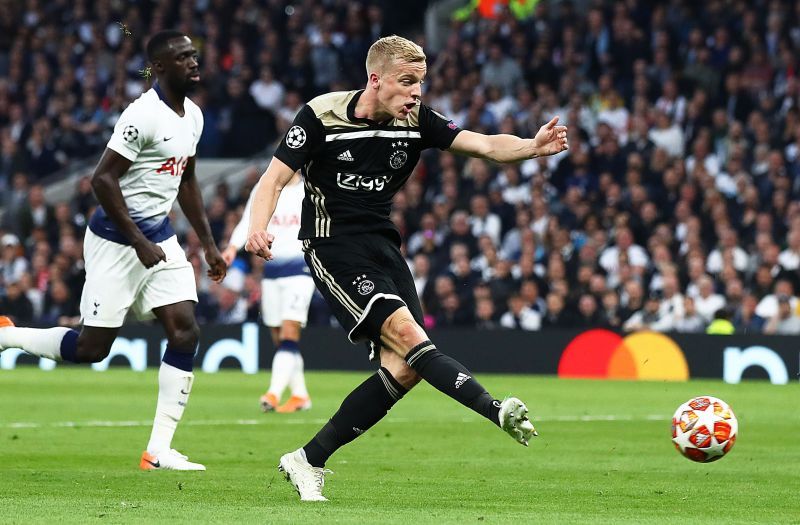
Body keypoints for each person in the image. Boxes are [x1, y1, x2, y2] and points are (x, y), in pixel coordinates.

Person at [245, 35, 568, 501]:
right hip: (333, 246)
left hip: (384, 247)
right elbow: (273, 179)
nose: (417, 92)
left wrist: (532, 147)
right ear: (375, 79)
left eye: (421, 82)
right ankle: (494, 409)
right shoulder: (322, 115)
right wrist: (259, 227)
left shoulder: (416, 121)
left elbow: (483, 145)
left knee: (405, 367)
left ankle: (308, 459)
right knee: (411, 337)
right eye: (407, 81)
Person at [0, 31, 226, 471]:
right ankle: (7, 336)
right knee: (91, 349)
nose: (194, 64)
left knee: (185, 330)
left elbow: (188, 180)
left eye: (195, 56)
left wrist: (209, 245)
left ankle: (158, 450)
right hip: (116, 243)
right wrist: (138, 242)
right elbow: (102, 180)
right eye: (183, 59)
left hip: (159, 239)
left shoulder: (193, 116)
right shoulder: (141, 115)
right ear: (159, 67)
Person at [223, 172, 314, 413]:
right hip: (271, 269)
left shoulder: (310, 188)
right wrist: (232, 247)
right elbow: (248, 220)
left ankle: (273, 393)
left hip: (301, 269)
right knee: (279, 336)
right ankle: (300, 395)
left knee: (289, 331)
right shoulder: (265, 187)